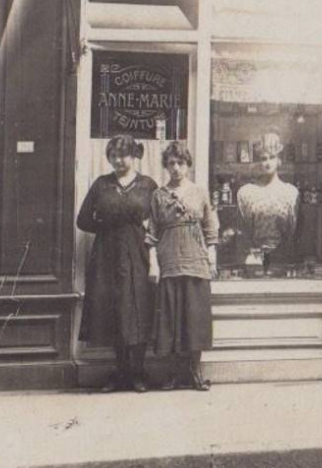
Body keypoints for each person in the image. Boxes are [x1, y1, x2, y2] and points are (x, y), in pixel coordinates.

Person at [76, 135, 158, 393]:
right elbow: (83, 220)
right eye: (113, 155)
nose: (118, 160)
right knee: (113, 310)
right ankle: (120, 371)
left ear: (135, 156)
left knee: (138, 308)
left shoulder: (148, 185)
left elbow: (157, 221)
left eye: (123, 155)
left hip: (138, 253)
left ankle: (138, 372)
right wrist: (107, 225)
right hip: (107, 255)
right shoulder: (101, 185)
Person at [147, 141, 218, 391]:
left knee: (194, 320)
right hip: (169, 262)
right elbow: (152, 234)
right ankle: (173, 374)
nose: (176, 168)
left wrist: (212, 256)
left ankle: (195, 373)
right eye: (171, 163)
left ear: (187, 165)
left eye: (180, 163)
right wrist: (153, 264)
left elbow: (210, 226)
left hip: (196, 261)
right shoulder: (158, 195)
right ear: (166, 166)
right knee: (171, 320)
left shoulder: (199, 192)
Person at [236, 132, 299, 268]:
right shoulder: (247, 192)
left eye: (272, 157)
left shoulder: (290, 192)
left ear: (279, 160)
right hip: (254, 257)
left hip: (283, 257)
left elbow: (292, 230)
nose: (268, 163)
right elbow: (244, 230)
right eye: (264, 158)